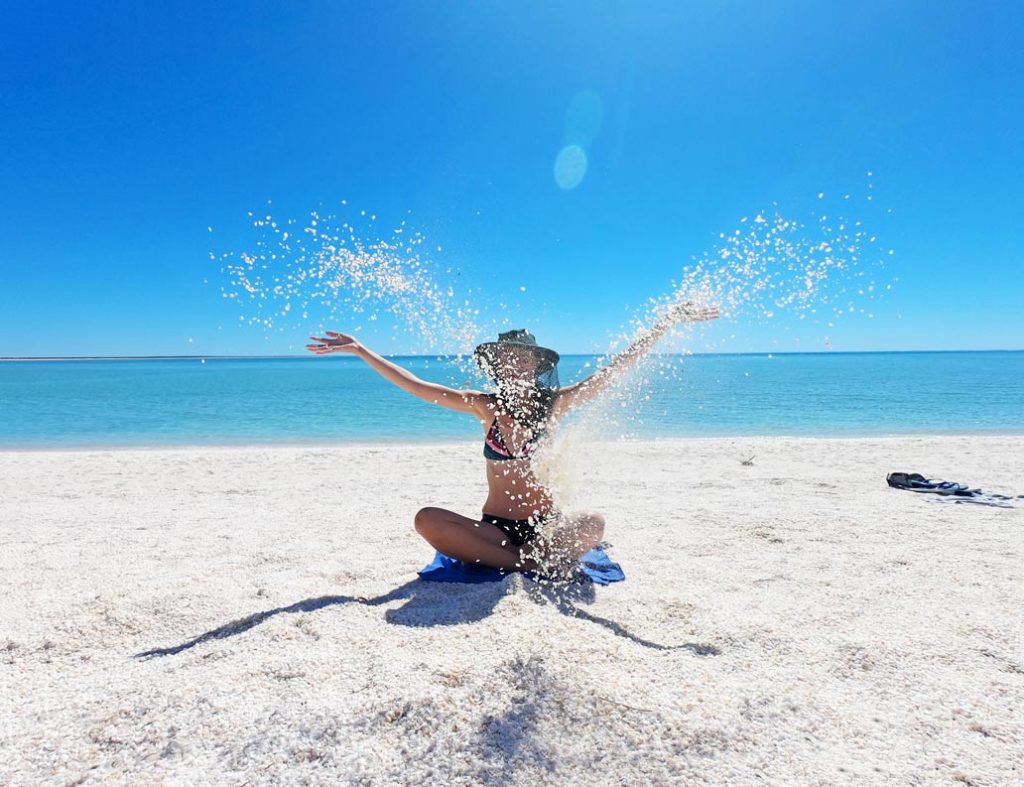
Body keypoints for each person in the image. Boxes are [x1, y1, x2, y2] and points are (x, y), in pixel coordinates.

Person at [307, 300, 718, 576]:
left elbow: (613, 373)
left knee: (593, 522)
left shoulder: (557, 403)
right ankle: (527, 565)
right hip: (496, 529)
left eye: (522, 358)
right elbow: (416, 385)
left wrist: (665, 325)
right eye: (507, 360)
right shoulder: (482, 405)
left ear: (536, 365)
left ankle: (518, 563)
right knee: (426, 519)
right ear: (498, 368)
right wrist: (361, 349)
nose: (515, 365)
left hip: (547, 526)